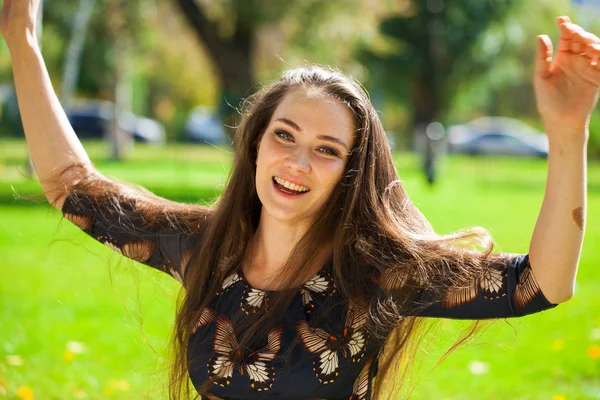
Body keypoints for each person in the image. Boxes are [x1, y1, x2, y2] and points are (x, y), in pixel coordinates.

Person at [2, 0, 594, 397]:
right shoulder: (203, 248)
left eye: (327, 150)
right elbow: (72, 187)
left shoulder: (376, 276)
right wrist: (24, 41)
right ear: (256, 144)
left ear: (350, 174)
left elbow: (540, 283)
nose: (297, 161)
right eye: (284, 136)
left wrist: (568, 136)